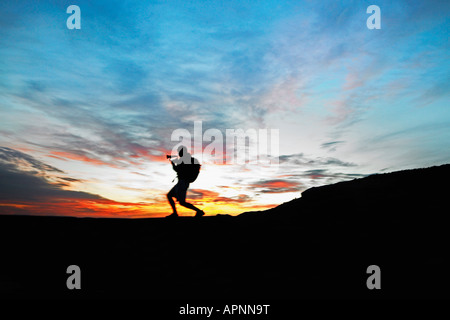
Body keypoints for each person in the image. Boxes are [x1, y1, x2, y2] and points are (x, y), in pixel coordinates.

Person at [166, 146, 205, 218]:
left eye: (179, 152)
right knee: (170, 195)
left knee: (182, 202)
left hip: (182, 183)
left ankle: (199, 211)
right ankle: (175, 213)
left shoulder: (184, 160)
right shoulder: (188, 159)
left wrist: (172, 163)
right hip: (182, 182)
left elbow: (177, 169)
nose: (179, 154)